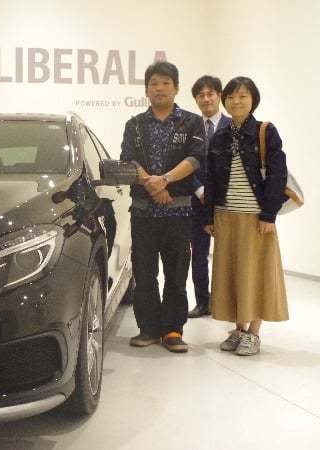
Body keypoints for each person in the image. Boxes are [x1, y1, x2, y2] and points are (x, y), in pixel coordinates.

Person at [120, 61, 205, 353]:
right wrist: (153, 186)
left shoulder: (191, 122)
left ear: (176, 88)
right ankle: (148, 329)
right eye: (154, 83)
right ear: (146, 90)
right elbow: (128, 159)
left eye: (166, 83)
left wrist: (165, 180)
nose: (159, 88)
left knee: (176, 274)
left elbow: (196, 158)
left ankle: (172, 330)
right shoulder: (134, 125)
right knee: (144, 274)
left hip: (178, 212)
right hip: (143, 212)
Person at [203, 76, 289, 356]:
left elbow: (277, 175)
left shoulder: (266, 131)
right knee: (230, 273)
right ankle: (239, 329)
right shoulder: (220, 137)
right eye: (230, 96)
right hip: (225, 214)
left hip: (255, 217)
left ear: (253, 100)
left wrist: (269, 215)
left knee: (256, 273)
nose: (235, 101)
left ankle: (254, 332)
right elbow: (211, 179)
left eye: (242, 96)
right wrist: (209, 217)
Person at [187, 76, 231, 318]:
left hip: (227, 202)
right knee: (199, 255)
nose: (206, 98)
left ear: (219, 96)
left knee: (229, 255)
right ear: (196, 99)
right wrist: (199, 189)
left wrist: (217, 192)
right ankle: (203, 301)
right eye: (201, 95)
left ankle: (228, 303)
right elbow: (184, 163)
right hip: (198, 202)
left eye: (210, 93)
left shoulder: (232, 125)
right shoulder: (190, 127)